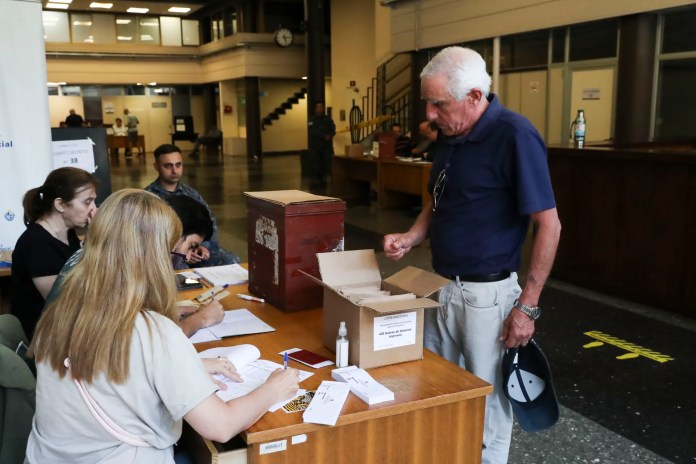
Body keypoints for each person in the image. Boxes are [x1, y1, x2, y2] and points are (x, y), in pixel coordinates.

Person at [26, 189, 299, 463]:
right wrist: (273, 389)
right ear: (154, 259)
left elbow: (103, 364)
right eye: (174, 257)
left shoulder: (62, 310)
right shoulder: (152, 331)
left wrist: (187, 366)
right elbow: (221, 426)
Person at [382, 47, 561, 464]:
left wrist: (527, 307)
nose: (429, 112)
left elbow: (549, 224)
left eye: (438, 103)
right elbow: (440, 198)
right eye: (427, 101)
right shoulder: (449, 135)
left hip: (487, 298)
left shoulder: (516, 136)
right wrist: (411, 237)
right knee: (439, 393)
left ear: (475, 96)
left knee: (488, 409)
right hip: (440, 287)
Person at [10, 167, 98, 340]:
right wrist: (96, 240)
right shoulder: (37, 244)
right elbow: (65, 303)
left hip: (69, 330)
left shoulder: (68, 233)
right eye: (87, 202)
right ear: (60, 205)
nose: (94, 209)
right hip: (44, 339)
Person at [145, 144, 241, 267]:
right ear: (156, 166)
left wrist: (200, 247)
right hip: (164, 256)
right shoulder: (149, 198)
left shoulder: (192, 194)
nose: (174, 170)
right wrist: (181, 251)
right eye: (168, 166)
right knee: (180, 267)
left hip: (196, 249)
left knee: (231, 260)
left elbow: (209, 225)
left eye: (178, 165)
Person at [307, 101, 336, 188]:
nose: (320, 109)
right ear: (315, 109)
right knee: (317, 164)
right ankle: (319, 180)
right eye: (318, 107)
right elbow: (312, 131)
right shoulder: (311, 120)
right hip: (316, 147)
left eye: (321, 107)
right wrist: (323, 136)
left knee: (329, 163)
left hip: (327, 147)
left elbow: (333, 128)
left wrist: (330, 135)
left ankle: (330, 179)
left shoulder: (328, 119)